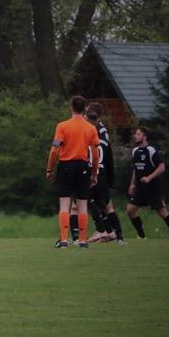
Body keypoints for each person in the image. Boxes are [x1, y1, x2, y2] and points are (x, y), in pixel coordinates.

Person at [46, 96, 99, 249]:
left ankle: (63, 240)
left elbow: (54, 150)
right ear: (85, 109)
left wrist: (50, 169)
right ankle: (83, 241)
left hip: (66, 167)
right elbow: (95, 154)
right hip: (83, 167)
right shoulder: (91, 128)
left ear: (71, 107)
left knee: (64, 204)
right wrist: (94, 173)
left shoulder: (62, 126)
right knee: (82, 204)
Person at [126, 126, 169, 239]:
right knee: (130, 211)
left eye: (138, 134)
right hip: (140, 188)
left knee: (162, 212)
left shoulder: (151, 150)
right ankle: (141, 236)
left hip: (153, 188)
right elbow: (136, 169)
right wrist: (132, 184)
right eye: (135, 134)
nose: (135, 136)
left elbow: (162, 167)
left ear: (145, 137)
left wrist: (149, 178)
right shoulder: (135, 151)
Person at [84, 102, 125, 244]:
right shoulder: (100, 129)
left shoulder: (95, 131)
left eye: (86, 112)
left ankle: (106, 232)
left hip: (95, 171)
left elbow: (98, 153)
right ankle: (112, 234)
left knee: (92, 204)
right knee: (102, 204)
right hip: (101, 172)